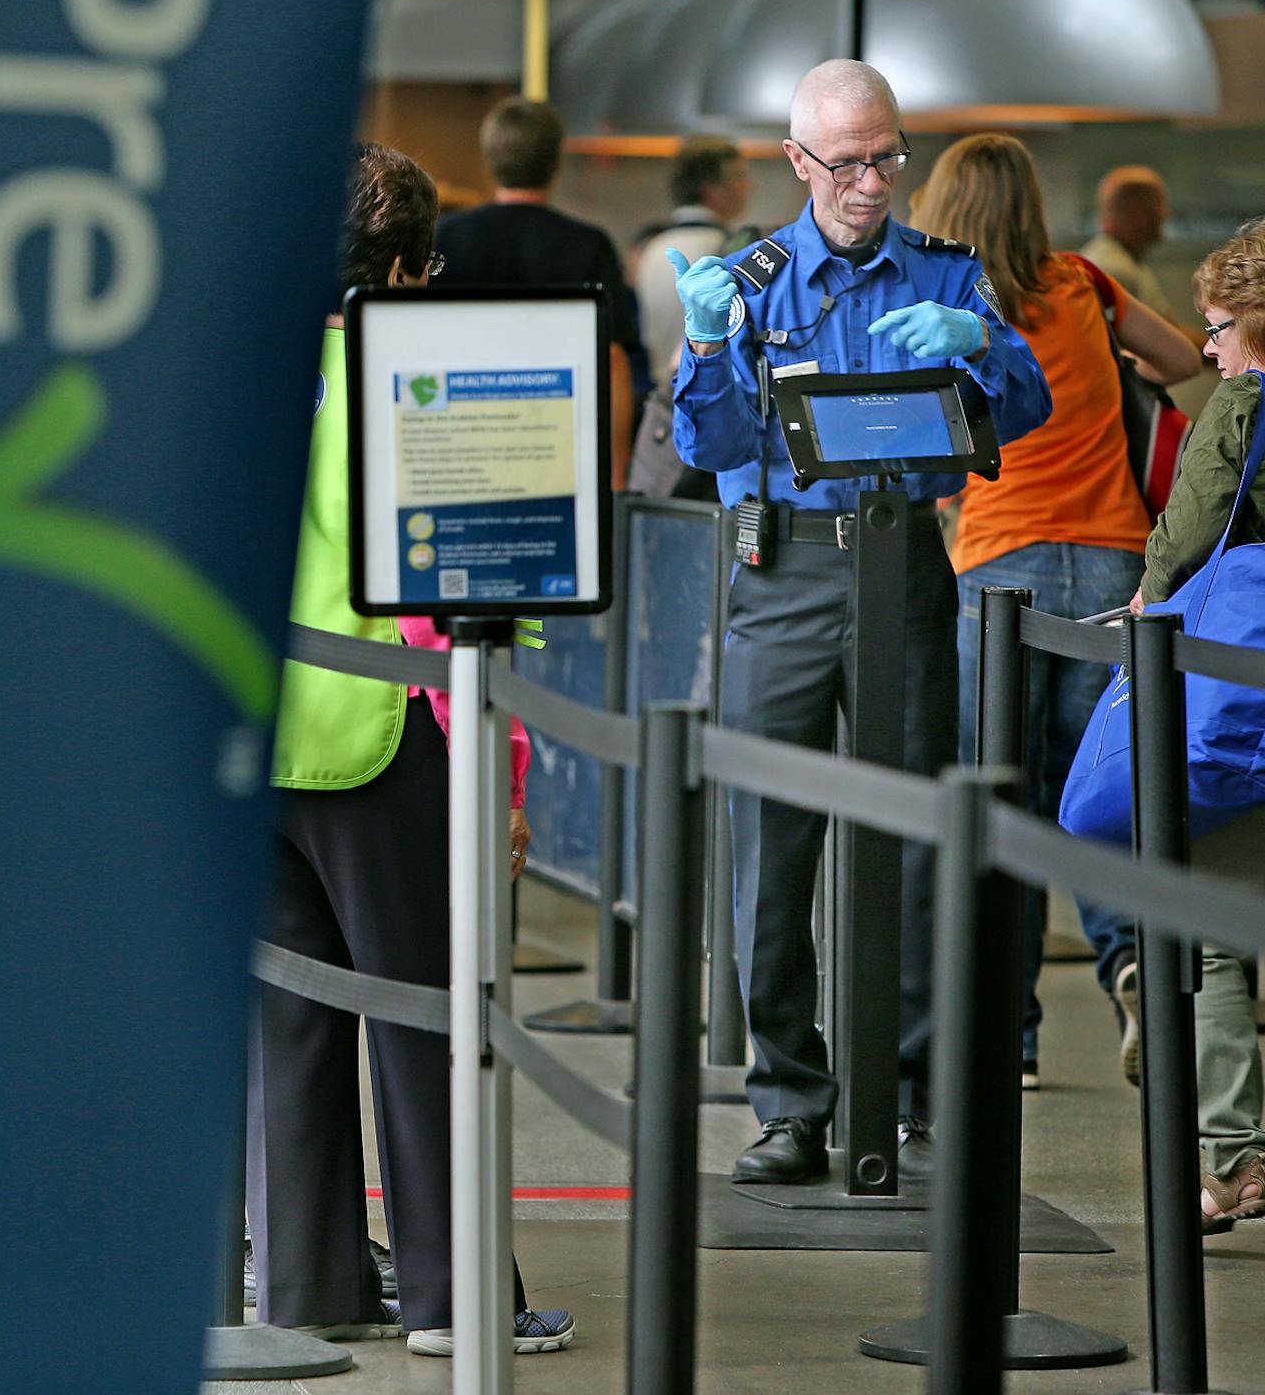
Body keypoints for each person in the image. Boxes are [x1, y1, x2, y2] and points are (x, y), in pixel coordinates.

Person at [669, 60, 1052, 1185]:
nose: (873, 182)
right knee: (773, 855)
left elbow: (1021, 413)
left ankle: (909, 1092)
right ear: (797, 163)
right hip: (784, 576)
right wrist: (700, 350)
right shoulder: (752, 281)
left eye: (887, 156)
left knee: (917, 843)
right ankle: (790, 1103)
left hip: (904, 569)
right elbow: (712, 449)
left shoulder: (945, 276)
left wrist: (983, 346)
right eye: (847, 163)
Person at [249, 141, 574, 1358]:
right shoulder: (426, 377)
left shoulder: (242, 377)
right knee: (431, 1020)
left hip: (266, 736)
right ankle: (452, 1299)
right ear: (400, 267)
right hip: (391, 741)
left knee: (290, 1026)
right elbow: (479, 597)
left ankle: (311, 1286)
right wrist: (509, 775)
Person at [910, 134, 1199, 1090]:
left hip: (998, 566)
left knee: (1005, 798)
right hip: (1116, 562)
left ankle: (1015, 1037)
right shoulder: (1085, 282)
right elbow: (1185, 357)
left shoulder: (942, 303)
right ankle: (1124, 960)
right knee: (1096, 798)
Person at [1124, 220, 1265, 1234]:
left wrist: (1143, 597)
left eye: (1218, 328)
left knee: (1211, 934)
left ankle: (1232, 1157)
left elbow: (1184, 536)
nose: (1207, 349)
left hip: (1243, 703)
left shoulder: (1242, 410)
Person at [436, 96, 640, 487]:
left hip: (462, 442)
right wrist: (615, 477)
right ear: (557, 163)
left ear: (489, 160)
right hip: (556, 445)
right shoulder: (587, 243)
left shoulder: (447, 237)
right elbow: (612, 359)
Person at [634, 136, 756, 397]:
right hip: (708, 391)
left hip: (659, 397)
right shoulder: (729, 251)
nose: (749, 186)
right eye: (739, 176)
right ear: (710, 188)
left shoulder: (652, 248)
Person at [1081, 166, 1204, 346]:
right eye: (1160, 207)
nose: (1165, 214)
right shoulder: (1112, 269)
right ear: (1139, 214)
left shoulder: (1124, 259)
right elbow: (1160, 341)